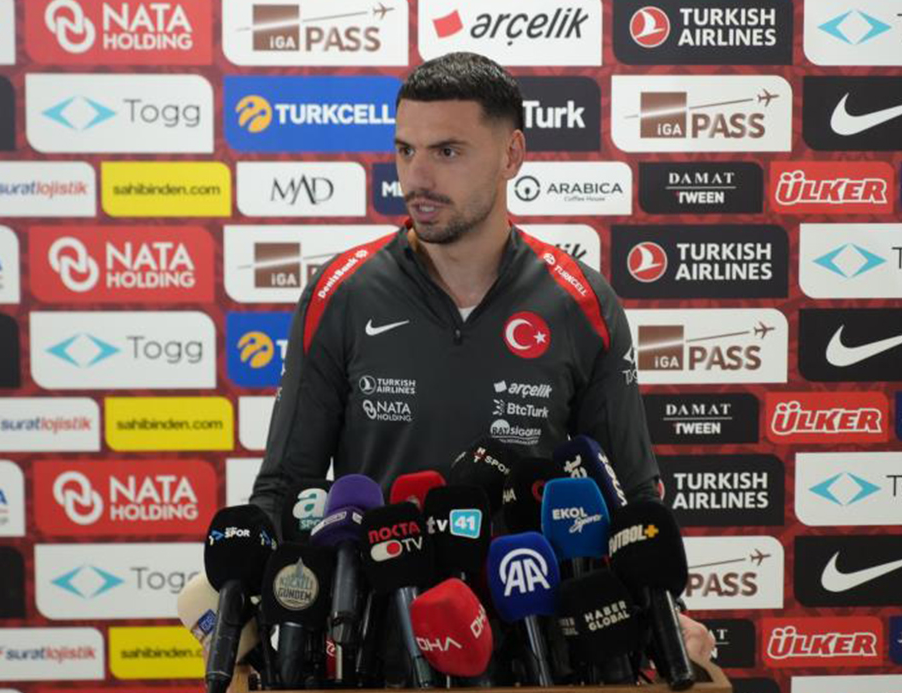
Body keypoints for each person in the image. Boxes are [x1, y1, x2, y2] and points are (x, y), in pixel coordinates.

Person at [248, 52, 714, 664]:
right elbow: (287, 487)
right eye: (405, 150)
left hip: (542, 652)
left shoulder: (582, 302)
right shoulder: (340, 294)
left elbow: (628, 492)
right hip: (379, 654)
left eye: (447, 151)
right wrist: (252, 614)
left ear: (511, 156)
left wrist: (667, 617)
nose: (416, 178)